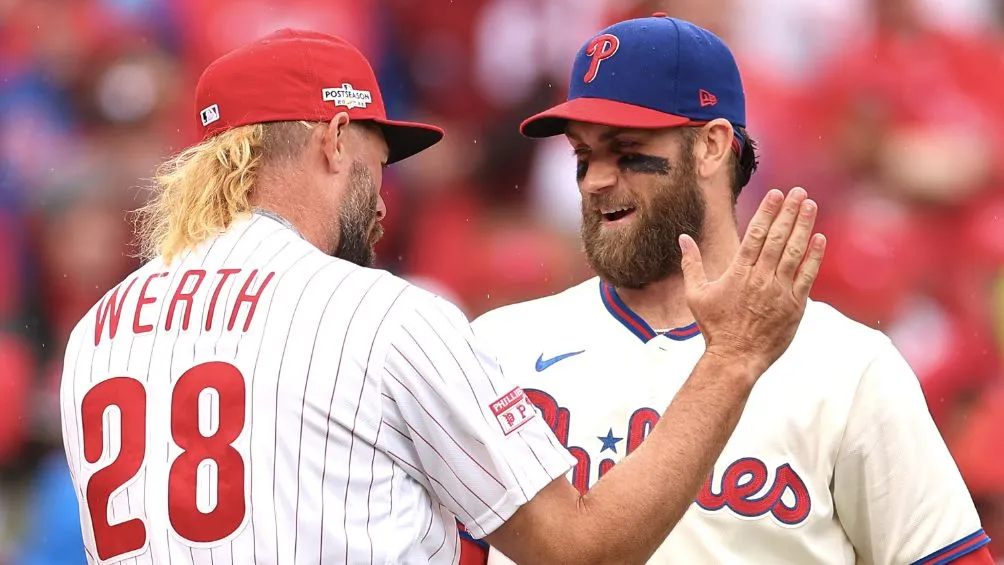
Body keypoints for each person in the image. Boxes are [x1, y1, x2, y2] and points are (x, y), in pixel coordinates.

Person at [58, 28, 825, 565]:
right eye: (377, 156)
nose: (386, 196)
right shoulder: (380, 313)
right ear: (332, 139)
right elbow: (584, 550)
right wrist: (733, 358)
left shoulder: (99, 331)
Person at [465, 14, 993, 565]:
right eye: (582, 155)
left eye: (625, 150)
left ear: (712, 146)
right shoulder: (499, 349)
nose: (595, 179)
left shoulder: (847, 365)